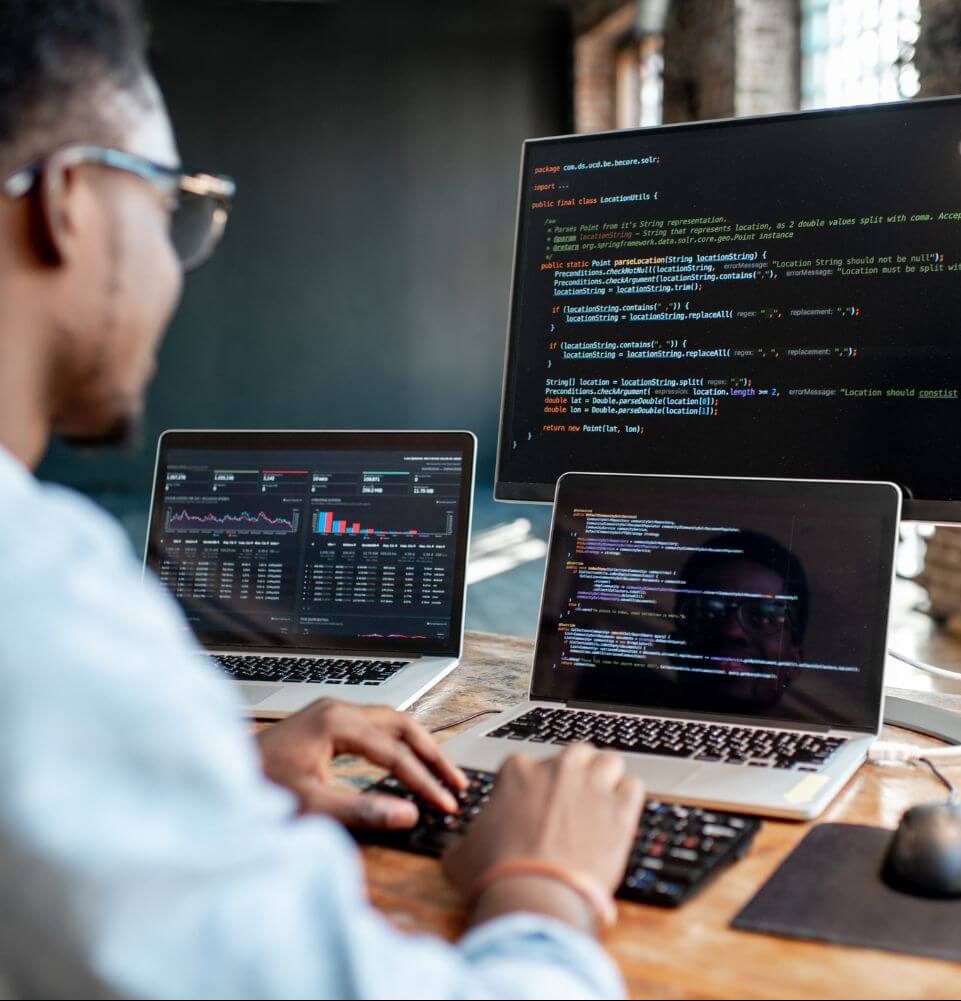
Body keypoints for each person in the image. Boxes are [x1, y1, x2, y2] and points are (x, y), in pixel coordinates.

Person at [0, 2, 645, 997]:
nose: (177, 261)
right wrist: (544, 882)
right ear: (70, 200)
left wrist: (214, 787)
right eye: (172, 203)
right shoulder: (41, 607)